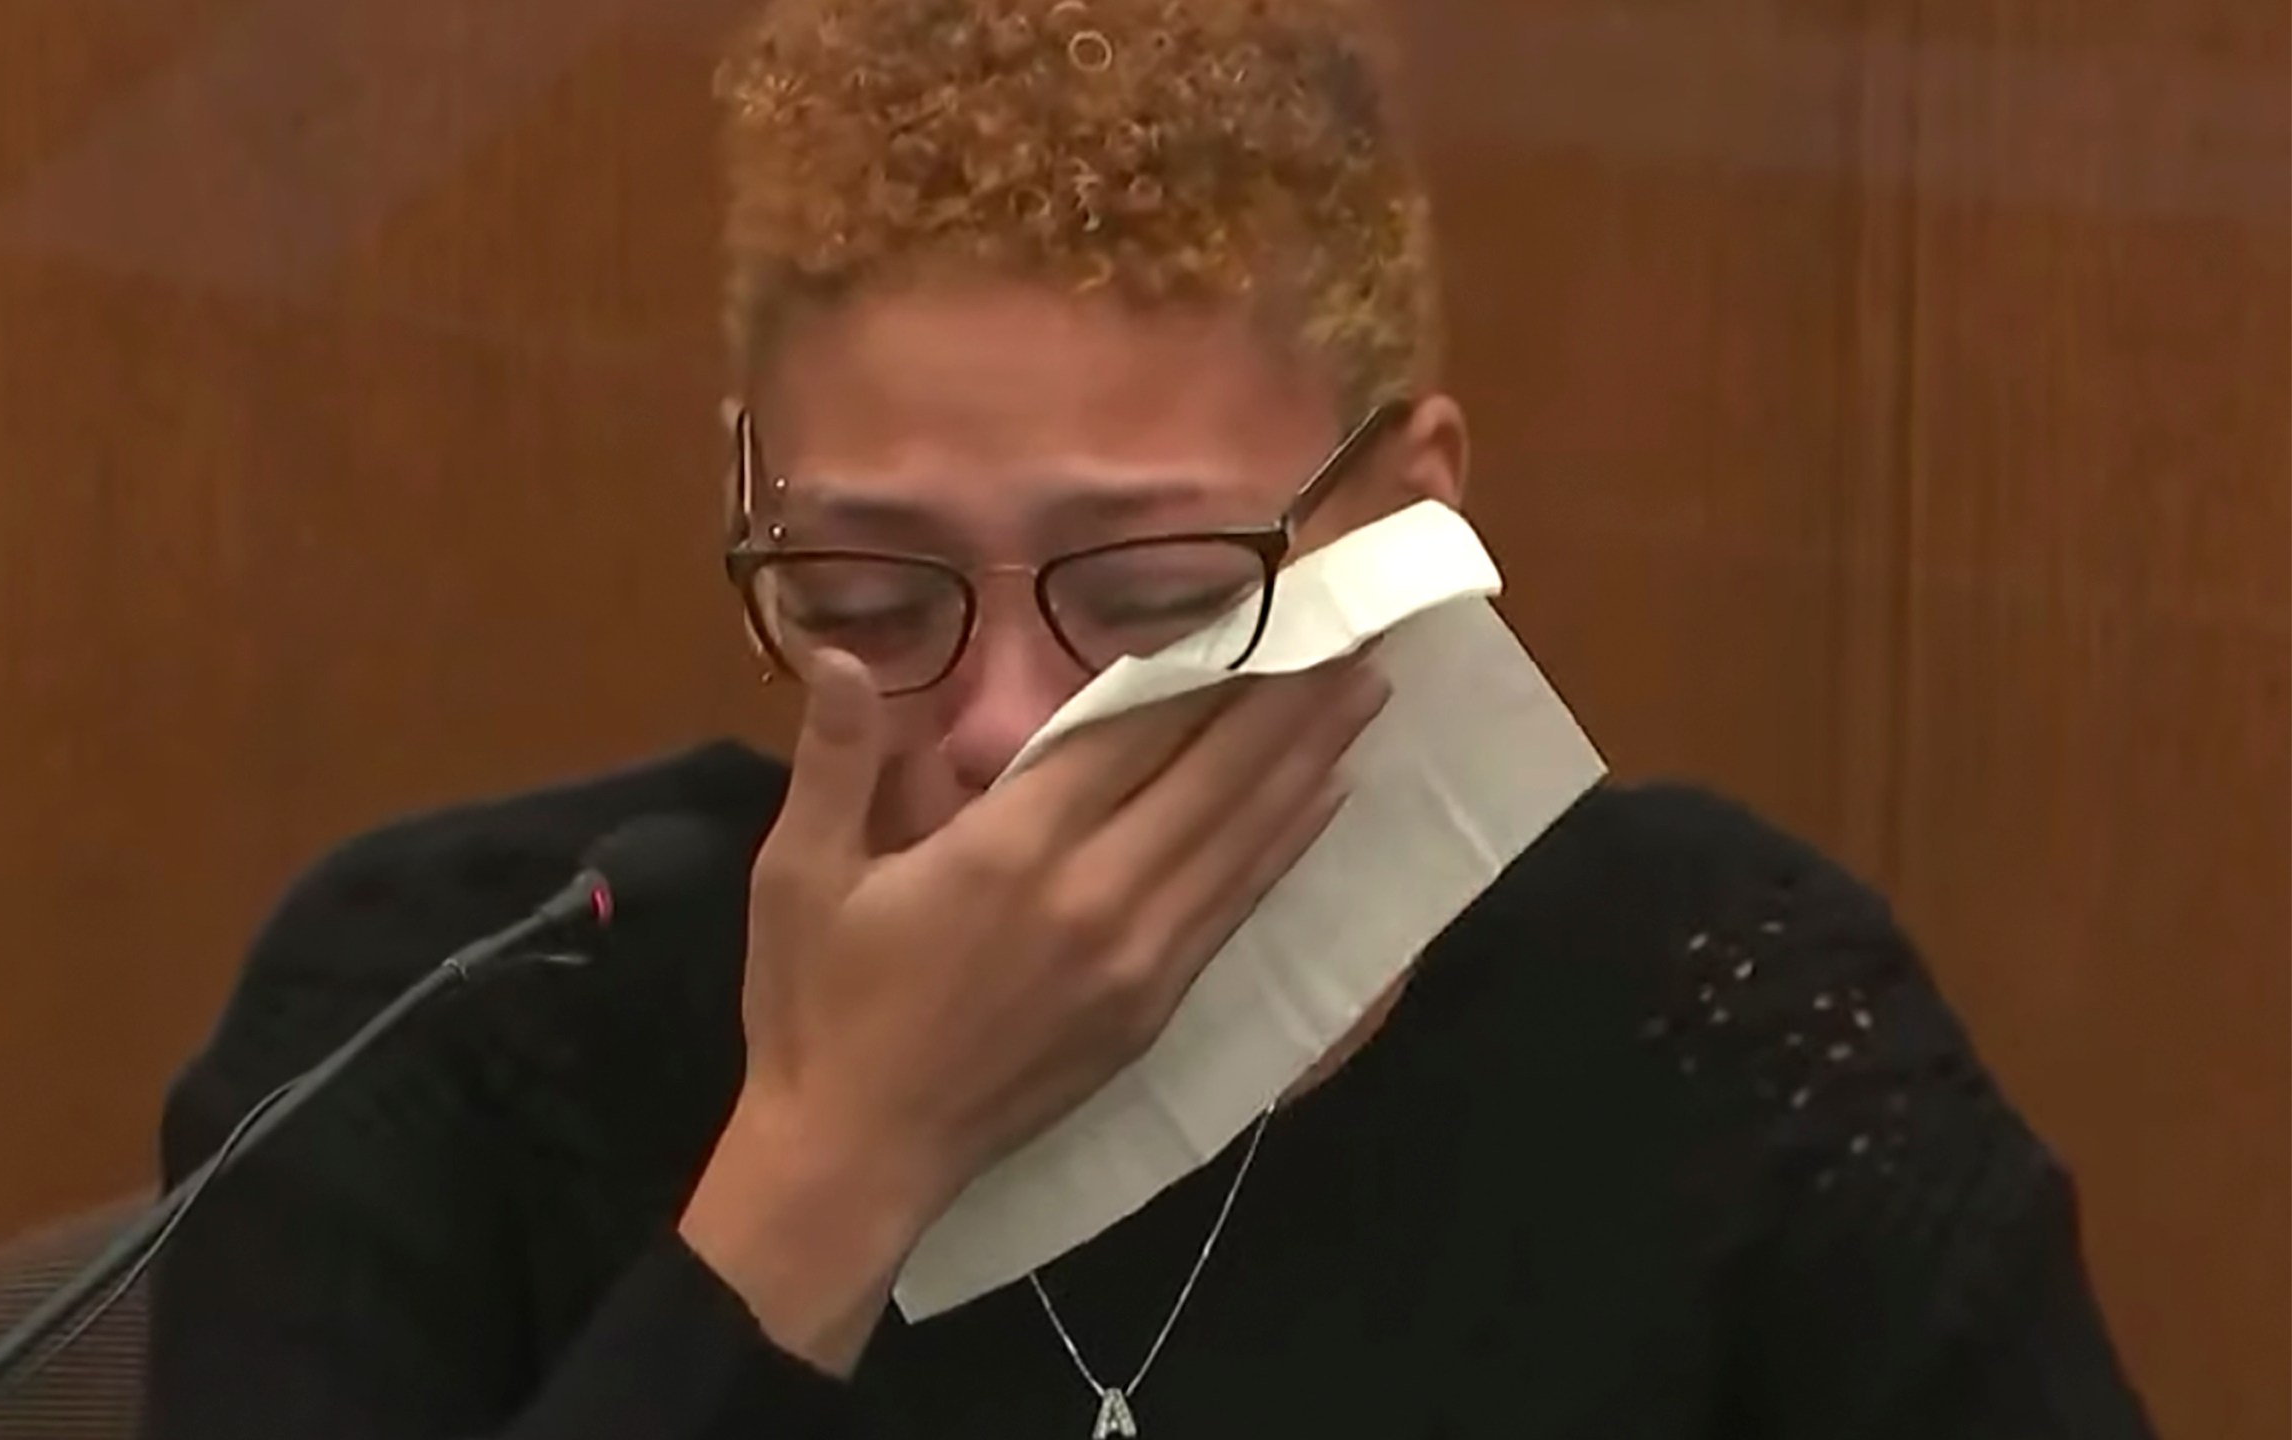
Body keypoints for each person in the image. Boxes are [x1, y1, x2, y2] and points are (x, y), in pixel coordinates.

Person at [146, 0, 2156, 1436]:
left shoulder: (1720, 1023)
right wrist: (829, 1172)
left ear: (1405, 525)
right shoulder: (450, 1010)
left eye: (1158, 602)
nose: (1006, 723)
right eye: (868, 598)